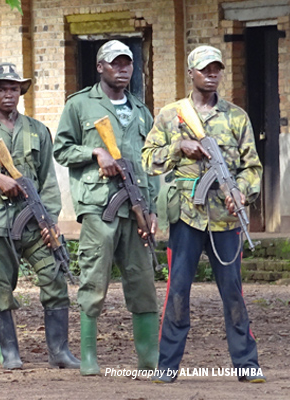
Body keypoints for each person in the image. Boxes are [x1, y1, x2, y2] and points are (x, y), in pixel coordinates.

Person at [143, 45, 265, 383]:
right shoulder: (171, 115)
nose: (212, 74)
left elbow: (252, 166)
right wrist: (178, 147)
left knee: (234, 292)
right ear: (192, 73)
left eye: (217, 69)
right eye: (205, 69)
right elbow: (147, 159)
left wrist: (241, 190)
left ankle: (247, 364)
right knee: (177, 291)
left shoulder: (236, 117)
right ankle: (167, 366)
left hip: (225, 218)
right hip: (186, 215)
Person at [0, 63, 80, 370]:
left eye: (14, 89)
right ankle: (10, 353)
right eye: (1, 89)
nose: (8, 95)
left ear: (21, 92)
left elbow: (48, 181)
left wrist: (49, 220)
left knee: (54, 278)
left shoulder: (37, 130)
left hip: (33, 222)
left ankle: (59, 352)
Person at [53, 40, 159, 375]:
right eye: (115, 63)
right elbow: (62, 150)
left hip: (136, 206)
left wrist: (152, 207)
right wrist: (95, 153)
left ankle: (148, 358)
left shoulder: (141, 112)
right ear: (100, 67)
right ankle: (88, 357)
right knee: (94, 281)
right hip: (100, 206)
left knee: (143, 282)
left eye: (127, 63)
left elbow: (151, 164)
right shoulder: (81, 105)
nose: (123, 69)